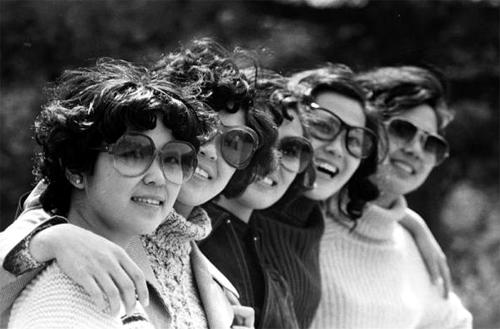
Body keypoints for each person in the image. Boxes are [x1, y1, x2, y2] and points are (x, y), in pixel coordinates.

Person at [0, 39, 271, 329]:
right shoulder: (72, 228)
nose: (210, 151)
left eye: (234, 142)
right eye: (203, 133)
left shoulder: (216, 286)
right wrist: (51, 240)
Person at [6, 58, 202, 328]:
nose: (158, 177)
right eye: (133, 153)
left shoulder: (122, 276)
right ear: (76, 169)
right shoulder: (63, 303)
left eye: (172, 159)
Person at [306, 65, 473, 328]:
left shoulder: (413, 247)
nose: (416, 150)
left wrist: (408, 221)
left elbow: (456, 322)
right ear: (365, 127)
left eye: (432, 144)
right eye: (402, 130)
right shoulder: (302, 218)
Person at [199, 69, 315, 329]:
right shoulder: (189, 232)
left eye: (292, 148)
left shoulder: (269, 243)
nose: (275, 161)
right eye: (263, 140)